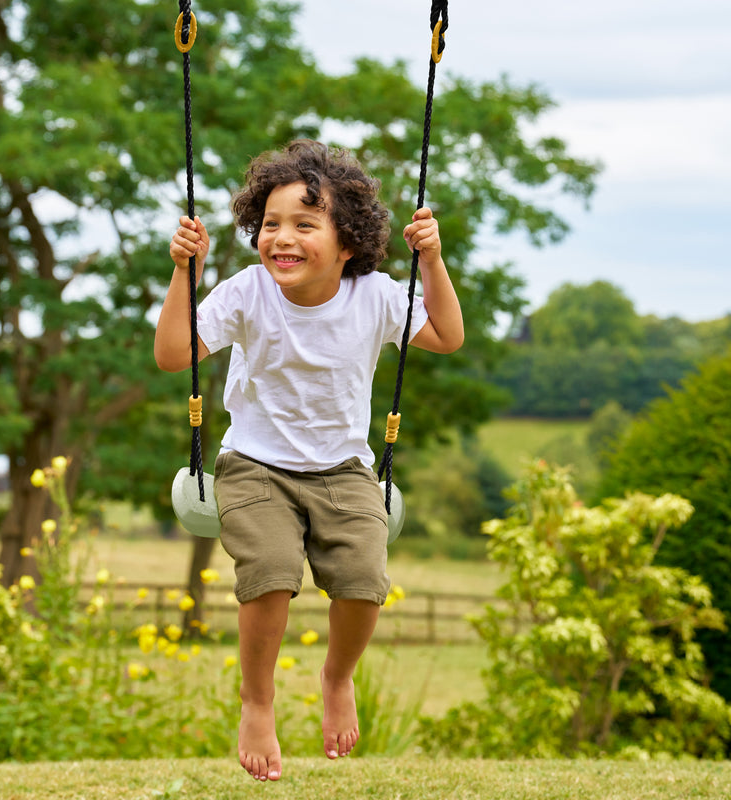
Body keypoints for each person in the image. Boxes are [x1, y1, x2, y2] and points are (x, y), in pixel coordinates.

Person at [154, 140, 463, 781]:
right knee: (268, 569)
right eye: (270, 224)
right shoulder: (248, 292)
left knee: (364, 580)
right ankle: (257, 702)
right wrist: (184, 271)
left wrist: (430, 260)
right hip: (254, 464)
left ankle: (336, 677)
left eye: (303, 224)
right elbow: (173, 351)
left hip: (344, 468)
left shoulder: (375, 296)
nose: (281, 238)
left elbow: (446, 335)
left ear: (346, 241)